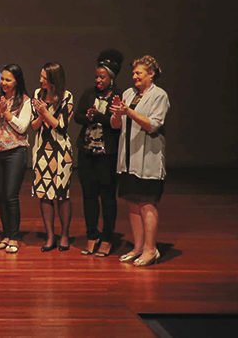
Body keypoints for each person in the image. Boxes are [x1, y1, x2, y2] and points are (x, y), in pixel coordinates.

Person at [111, 55, 169, 267]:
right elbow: (117, 125)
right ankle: (137, 247)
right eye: (133, 73)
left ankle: (150, 249)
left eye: (139, 73)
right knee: (132, 203)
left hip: (148, 159)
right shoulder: (128, 93)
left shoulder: (159, 96)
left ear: (151, 74)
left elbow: (153, 125)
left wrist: (129, 112)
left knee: (146, 203)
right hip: (128, 158)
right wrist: (118, 114)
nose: (134, 76)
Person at [74, 50, 124, 257]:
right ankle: (92, 234)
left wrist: (99, 116)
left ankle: (107, 237)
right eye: (96, 76)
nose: (98, 80)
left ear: (111, 77)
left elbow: (117, 125)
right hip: (87, 152)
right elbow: (77, 116)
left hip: (107, 154)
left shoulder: (118, 96)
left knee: (107, 196)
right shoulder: (89, 93)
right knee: (89, 195)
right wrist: (88, 117)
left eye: (102, 77)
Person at [0, 64, 32, 255]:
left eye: (8, 80)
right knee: (0, 195)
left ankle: (14, 236)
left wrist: (7, 114)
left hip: (15, 151)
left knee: (11, 195)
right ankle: (6, 235)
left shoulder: (25, 101)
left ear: (17, 81)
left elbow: (23, 127)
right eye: (2, 79)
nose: (3, 83)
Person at [31, 62, 75, 252]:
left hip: (61, 150)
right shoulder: (37, 95)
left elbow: (61, 125)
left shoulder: (67, 96)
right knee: (44, 194)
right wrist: (41, 115)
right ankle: (50, 235)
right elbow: (34, 126)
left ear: (53, 79)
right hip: (42, 149)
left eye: (44, 77)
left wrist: (44, 112)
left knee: (62, 195)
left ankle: (64, 234)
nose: (40, 80)